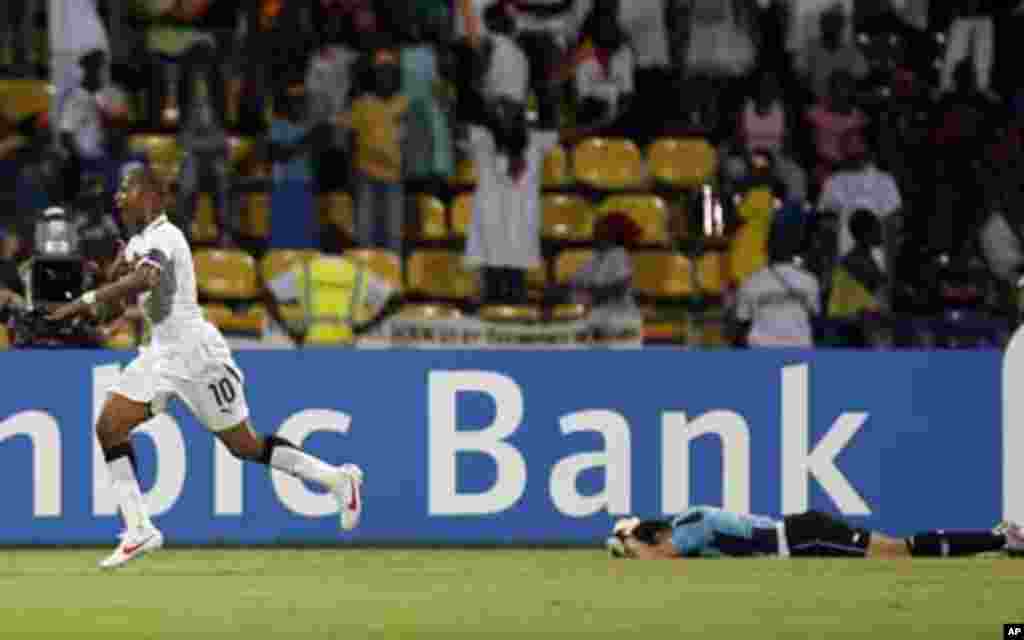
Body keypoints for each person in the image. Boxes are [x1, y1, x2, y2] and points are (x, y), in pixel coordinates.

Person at [47, 166, 363, 569]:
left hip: (196, 352)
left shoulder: (166, 235)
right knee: (109, 425)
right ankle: (139, 527)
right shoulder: (135, 244)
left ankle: (337, 479)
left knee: (243, 445)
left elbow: (146, 279)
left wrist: (88, 298)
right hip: (159, 352)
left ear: (150, 195)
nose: (118, 196)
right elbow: (112, 308)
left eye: (126, 188)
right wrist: (91, 295)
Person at [607, 505, 1024, 559]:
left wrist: (623, 545)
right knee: (902, 548)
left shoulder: (690, 525)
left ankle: (1002, 539)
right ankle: (998, 539)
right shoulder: (683, 525)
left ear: (655, 535)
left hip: (803, 536)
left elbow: (663, 560)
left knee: (899, 551)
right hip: (802, 534)